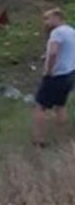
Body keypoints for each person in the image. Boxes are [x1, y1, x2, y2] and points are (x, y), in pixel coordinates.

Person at [33, 8, 75, 146]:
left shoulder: (56, 33)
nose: (46, 22)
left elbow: (53, 53)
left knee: (40, 106)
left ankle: (39, 140)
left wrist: (48, 71)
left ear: (57, 17)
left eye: (48, 18)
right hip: (69, 74)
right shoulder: (71, 31)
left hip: (56, 75)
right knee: (60, 106)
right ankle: (63, 139)